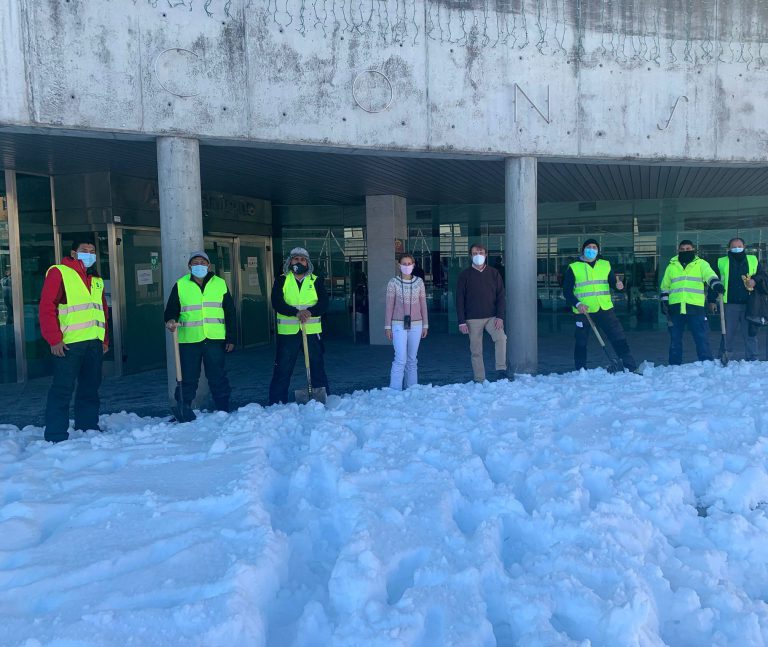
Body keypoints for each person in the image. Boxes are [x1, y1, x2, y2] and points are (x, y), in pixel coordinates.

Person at [39, 240, 109, 443]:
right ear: (73, 253)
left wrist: (104, 339)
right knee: (62, 388)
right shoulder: (59, 272)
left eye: (92, 251)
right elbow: (47, 307)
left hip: (93, 342)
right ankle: (56, 434)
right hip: (68, 344)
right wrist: (54, 339)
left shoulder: (96, 279)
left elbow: (102, 311)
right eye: (84, 251)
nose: (89, 254)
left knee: (90, 387)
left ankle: (88, 426)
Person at [164, 251, 235, 417]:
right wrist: (170, 320)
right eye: (195, 262)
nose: (199, 265)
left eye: (203, 262)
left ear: (209, 265)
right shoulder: (181, 284)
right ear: (189, 266)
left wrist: (231, 337)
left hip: (214, 338)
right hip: (189, 339)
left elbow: (230, 312)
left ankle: (223, 409)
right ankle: (183, 409)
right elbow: (171, 310)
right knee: (187, 377)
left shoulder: (220, 284)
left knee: (217, 375)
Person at [563, 239, 637, 372]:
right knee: (581, 341)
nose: (592, 250)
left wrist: (618, 285)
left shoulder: (605, 265)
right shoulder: (574, 267)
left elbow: (613, 282)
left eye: (594, 247)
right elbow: (567, 291)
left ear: (598, 250)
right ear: (583, 249)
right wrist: (578, 304)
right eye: (589, 247)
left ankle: (629, 365)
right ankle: (580, 370)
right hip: (583, 311)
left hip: (605, 309)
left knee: (618, 336)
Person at [268, 247, 330, 404]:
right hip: (289, 332)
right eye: (296, 259)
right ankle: (276, 401)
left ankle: (323, 398)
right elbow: (277, 302)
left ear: (308, 263)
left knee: (316, 366)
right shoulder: (282, 279)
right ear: (290, 262)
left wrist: (310, 311)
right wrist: (295, 312)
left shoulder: (315, 280)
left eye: (303, 259)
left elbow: (323, 303)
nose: (299, 262)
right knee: (283, 368)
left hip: (311, 331)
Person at [660, 240, 724, 365]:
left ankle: (706, 363)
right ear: (678, 250)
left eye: (688, 248)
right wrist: (664, 302)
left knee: (701, 337)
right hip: (676, 308)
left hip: (695, 307)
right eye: (682, 249)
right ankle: (674, 365)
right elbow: (665, 286)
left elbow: (709, 275)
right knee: (675, 338)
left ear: (693, 249)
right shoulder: (671, 266)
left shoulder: (701, 264)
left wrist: (716, 285)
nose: (685, 251)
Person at [456, 243, 509, 382]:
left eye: (480, 253)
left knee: (501, 338)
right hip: (472, 319)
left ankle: (501, 370)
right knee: (476, 349)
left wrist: (500, 317)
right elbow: (459, 299)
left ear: (486, 255)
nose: (478, 256)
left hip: (492, 317)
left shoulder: (494, 273)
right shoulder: (464, 275)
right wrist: (461, 321)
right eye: (474, 253)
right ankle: (479, 378)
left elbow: (500, 296)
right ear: (470, 256)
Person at [385, 253, 429, 390]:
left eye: (409, 263)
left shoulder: (419, 282)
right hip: (398, 323)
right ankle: (395, 389)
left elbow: (423, 304)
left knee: (412, 359)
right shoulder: (393, 282)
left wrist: (425, 325)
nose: (407, 266)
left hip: (417, 324)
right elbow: (389, 305)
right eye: (404, 263)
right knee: (400, 358)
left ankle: (412, 388)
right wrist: (387, 326)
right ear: (399, 265)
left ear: (413, 265)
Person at [716, 237, 759, 360]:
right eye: (734, 246)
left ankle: (753, 358)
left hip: (749, 303)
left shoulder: (753, 259)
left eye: (739, 246)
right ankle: (725, 356)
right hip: (730, 303)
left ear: (744, 246)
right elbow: (714, 280)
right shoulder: (721, 261)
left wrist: (754, 280)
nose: (737, 248)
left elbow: (762, 275)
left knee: (750, 332)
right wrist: (712, 300)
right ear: (728, 248)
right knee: (727, 333)